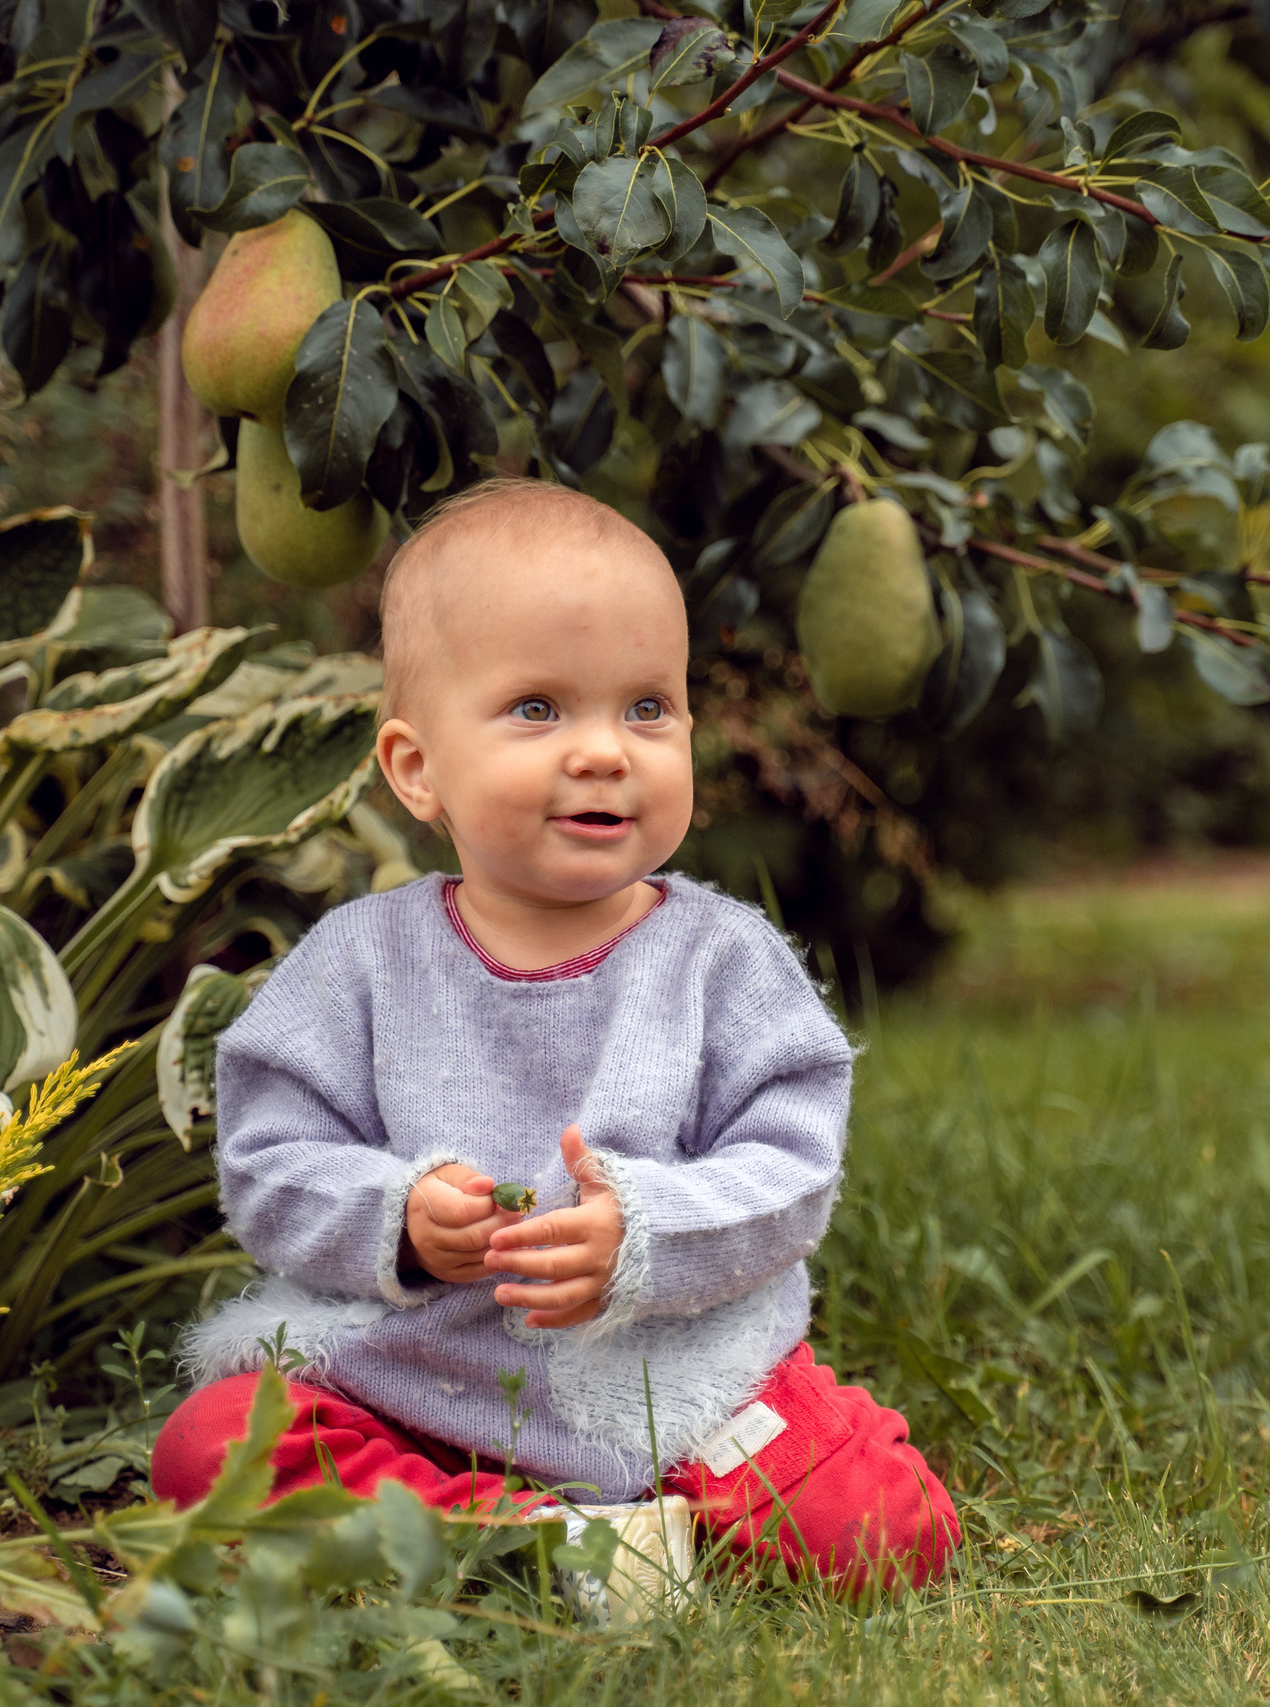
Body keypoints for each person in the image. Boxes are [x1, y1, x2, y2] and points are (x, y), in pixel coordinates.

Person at [151, 477, 959, 1594]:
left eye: (645, 708)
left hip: (674, 1378)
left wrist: (644, 1228)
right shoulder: (357, 964)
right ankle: (526, 1531)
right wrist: (395, 1221)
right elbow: (268, 1165)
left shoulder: (721, 961)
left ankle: (614, 1522)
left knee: (876, 1528)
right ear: (415, 767)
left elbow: (789, 1174)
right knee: (214, 1448)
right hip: (416, 1380)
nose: (603, 751)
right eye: (538, 708)